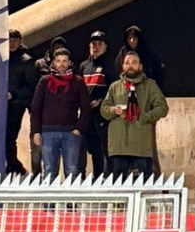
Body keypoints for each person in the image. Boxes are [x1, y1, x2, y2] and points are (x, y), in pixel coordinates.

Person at [100, 51, 168, 179]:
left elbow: (162, 108)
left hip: (141, 145)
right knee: (119, 187)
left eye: (134, 62)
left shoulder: (150, 86)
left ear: (140, 66)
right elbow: (104, 110)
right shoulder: (115, 87)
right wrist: (114, 110)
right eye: (127, 63)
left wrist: (145, 117)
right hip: (118, 145)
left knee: (145, 184)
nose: (130, 66)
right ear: (122, 66)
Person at [30, 46, 89, 180]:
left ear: (69, 63)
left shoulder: (78, 82)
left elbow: (86, 108)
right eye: (58, 61)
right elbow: (36, 108)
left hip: (71, 133)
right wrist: (36, 131)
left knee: (72, 171)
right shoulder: (44, 81)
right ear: (54, 63)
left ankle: (71, 202)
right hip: (48, 132)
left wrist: (79, 128)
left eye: (64, 61)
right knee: (49, 171)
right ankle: (49, 202)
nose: (61, 64)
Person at [78, 30, 113, 177]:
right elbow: (79, 89)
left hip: (103, 115)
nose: (96, 47)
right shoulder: (84, 66)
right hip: (87, 116)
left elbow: (114, 90)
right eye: (93, 44)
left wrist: (101, 101)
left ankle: (107, 179)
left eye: (99, 44)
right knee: (93, 150)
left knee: (105, 149)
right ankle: (97, 178)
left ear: (105, 46)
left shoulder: (110, 66)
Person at [5, 28, 38, 175]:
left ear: (20, 42)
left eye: (15, 41)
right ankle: (12, 163)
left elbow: (31, 86)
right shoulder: (2, 58)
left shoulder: (26, 60)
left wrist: (13, 94)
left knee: (10, 136)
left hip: (16, 104)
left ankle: (13, 165)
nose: (12, 43)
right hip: (0, 104)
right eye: (9, 40)